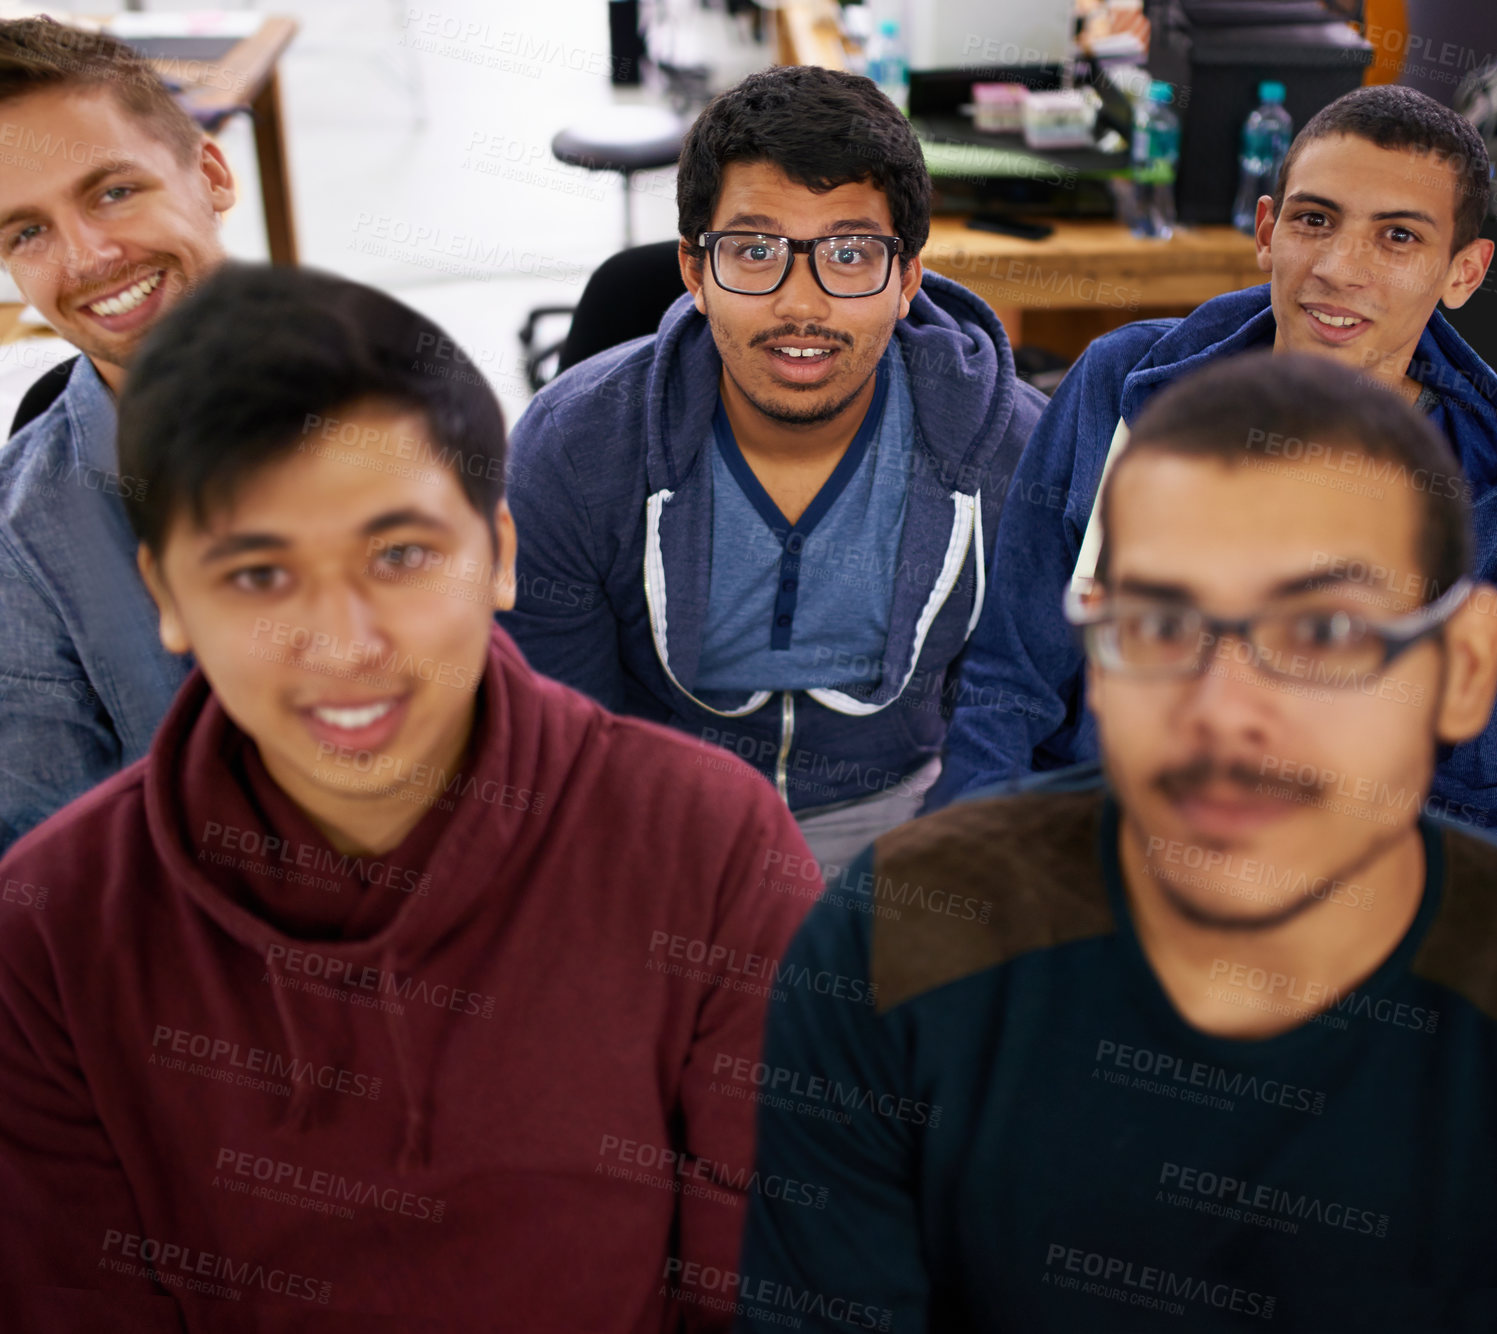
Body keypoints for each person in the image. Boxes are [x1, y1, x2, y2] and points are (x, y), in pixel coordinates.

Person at [0, 264, 815, 1331]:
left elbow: (769, 1280)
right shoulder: (51, 928)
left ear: (501, 553)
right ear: (168, 599)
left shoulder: (708, 842)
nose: (344, 643)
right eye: (256, 575)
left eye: (401, 553)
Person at [735, 352, 1497, 1332]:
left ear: (1464, 665)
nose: (1226, 714)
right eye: (1161, 622)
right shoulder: (903, 940)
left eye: (1326, 629)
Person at [498, 64, 1046, 874]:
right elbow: (562, 741)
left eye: (851, 253)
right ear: (694, 271)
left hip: (912, 828)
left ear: (906, 281)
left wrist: (938, 878)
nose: (801, 304)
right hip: (656, 831)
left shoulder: (1014, 451)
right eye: (755, 251)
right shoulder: (572, 449)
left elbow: (1006, 721)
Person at [931, 84, 1497, 825]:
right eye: (1313, 220)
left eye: (1397, 237)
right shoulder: (1118, 384)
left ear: (1464, 271)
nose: (1337, 267)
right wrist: (972, 865)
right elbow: (1009, 683)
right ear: (1266, 230)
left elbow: (1465, 794)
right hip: (1097, 838)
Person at [0, 17, 235, 850]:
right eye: (27, 232)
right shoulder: (20, 555)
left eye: (113, 191)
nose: (90, 255)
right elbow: (61, 895)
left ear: (209, 174)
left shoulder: (414, 400)